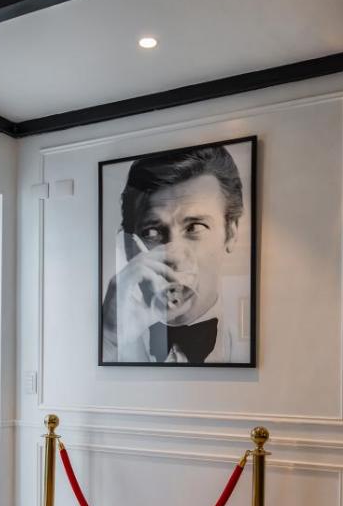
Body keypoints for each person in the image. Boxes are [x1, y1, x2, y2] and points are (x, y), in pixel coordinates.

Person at [101, 144, 250, 364]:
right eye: (152, 232)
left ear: (231, 233)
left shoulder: (252, 342)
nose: (173, 257)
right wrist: (109, 339)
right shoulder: (108, 340)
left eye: (194, 227)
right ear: (129, 246)